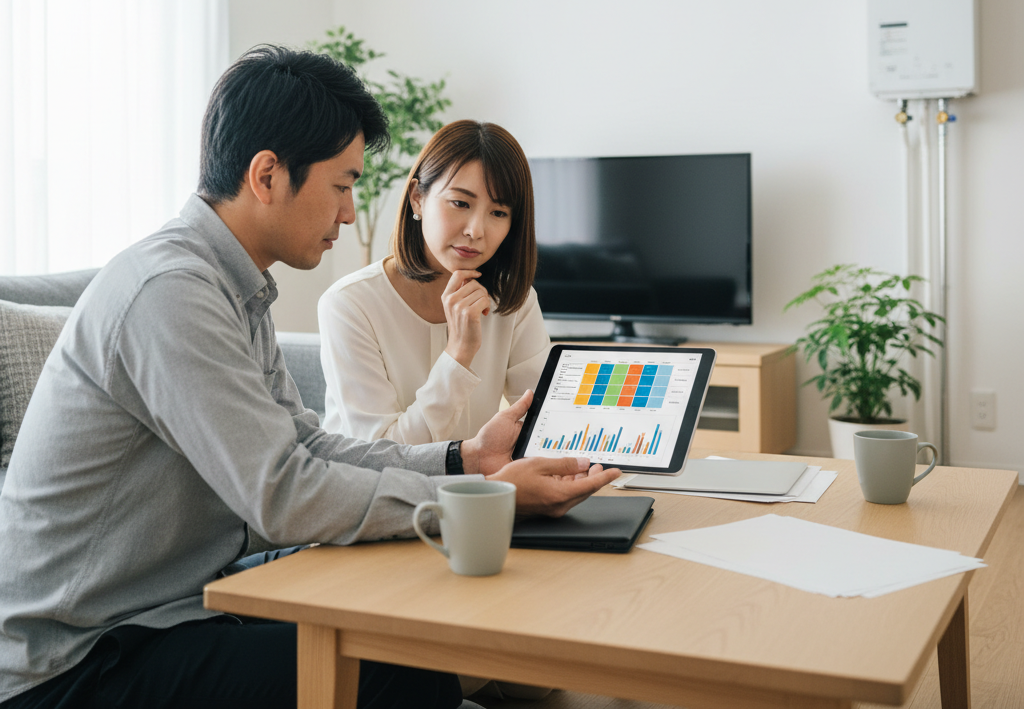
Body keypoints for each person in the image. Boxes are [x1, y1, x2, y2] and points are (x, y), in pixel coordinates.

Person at [0, 46, 618, 709]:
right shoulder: (172, 293)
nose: (351, 213)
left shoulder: (236, 286)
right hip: (77, 659)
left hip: (175, 612)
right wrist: (480, 499)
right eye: (343, 185)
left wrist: (465, 458)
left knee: (411, 636)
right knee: (395, 667)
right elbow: (281, 494)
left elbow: (306, 442)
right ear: (268, 174)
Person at [319, 120, 548, 445]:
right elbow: (382, 455)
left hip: (476, 492)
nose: (476, 230)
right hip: (377, 493)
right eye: (460, 203)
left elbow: (545, 420)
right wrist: (458, 353)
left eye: (498, 213)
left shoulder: (515, 301)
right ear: (418, 198)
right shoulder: (350, 304)